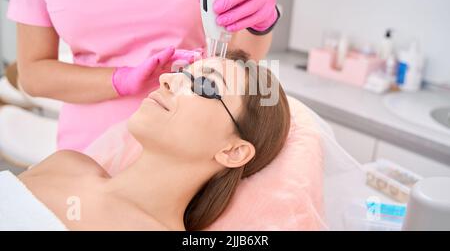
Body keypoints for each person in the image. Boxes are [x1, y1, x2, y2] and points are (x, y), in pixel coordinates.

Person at [8, 0, 280, 152]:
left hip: (187, 142)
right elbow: (33, 73)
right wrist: (119, 80)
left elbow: (238, 58)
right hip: (88, 150)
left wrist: (259, 21)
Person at [14, 50, 290, 230]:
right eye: (182, 73)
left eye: (206, 85)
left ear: (233, 152)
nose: (168, 79)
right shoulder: (66, 164)